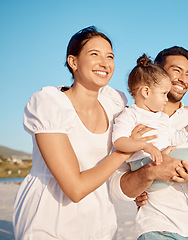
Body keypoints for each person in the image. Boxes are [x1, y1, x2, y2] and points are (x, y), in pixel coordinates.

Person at [12, 26, 137, 239]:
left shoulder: (112, 103)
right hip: (50, 218)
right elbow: (75, 188)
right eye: (94, 54)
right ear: (73, 62)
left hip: (99, 219)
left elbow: (146, 113)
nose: (105, 63)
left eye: (110, 56)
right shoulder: (50, 104)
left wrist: (187, 111)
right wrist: (124, 151)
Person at [109, 46, 188, 239]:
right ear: (157, 72)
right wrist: (146, 175)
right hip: (157, 227)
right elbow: (116, 185)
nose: (183, 79)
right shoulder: (133, 121)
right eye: (176, 70)